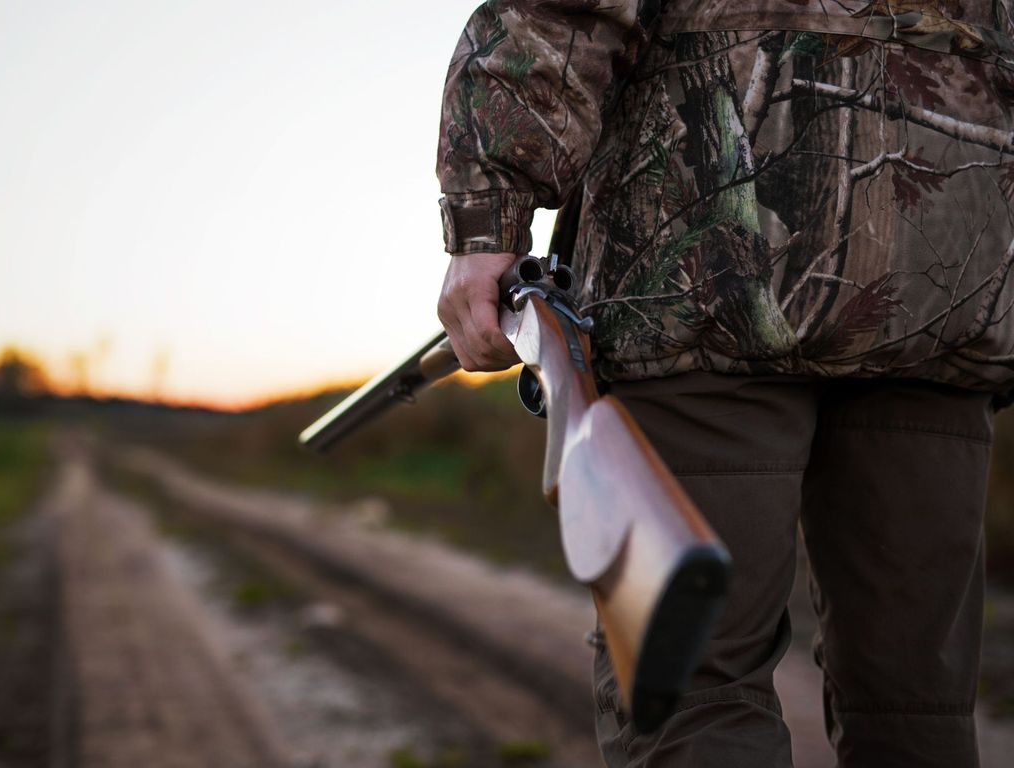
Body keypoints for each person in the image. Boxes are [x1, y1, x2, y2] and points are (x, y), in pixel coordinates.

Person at [434, 2, 1014, 766]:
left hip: (706, 289)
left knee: (692, 691)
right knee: (916, 708)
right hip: (946, 289)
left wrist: (486, 226)